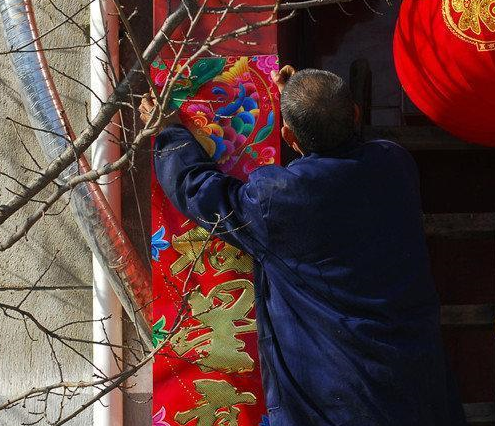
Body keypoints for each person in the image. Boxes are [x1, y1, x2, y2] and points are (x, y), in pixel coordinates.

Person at [142, 66, 467, 426]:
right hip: (415, 389)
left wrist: (170, 134)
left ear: (287, 136)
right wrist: (302, 109)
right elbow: (335, 172)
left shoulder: (276, 202)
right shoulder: (395, 164)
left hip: (334, 402)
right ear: (356, 114)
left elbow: (200, 192)